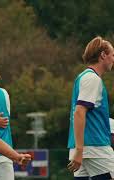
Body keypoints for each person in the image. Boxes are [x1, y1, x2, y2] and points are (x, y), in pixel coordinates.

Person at [67, 36, 114, 179]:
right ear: (103, 55)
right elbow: (79, 112)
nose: (113, 59)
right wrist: (80, 150)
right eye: (113, 55)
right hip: (95, 148)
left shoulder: (83, 77)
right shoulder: (92, 79)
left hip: (84, 148)